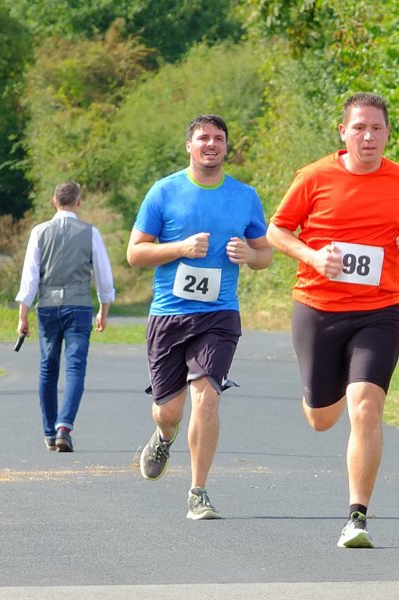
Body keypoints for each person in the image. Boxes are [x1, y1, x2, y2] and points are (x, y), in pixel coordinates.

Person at [267, 92, 399, 548]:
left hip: (378, 311)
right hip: (318, 307)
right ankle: (320, 391)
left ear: (387, 133)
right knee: (322, 419)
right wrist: (311, 255)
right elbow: (277, 230)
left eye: (377, 128)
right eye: (359, 127)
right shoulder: (313, 176)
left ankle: (357, 517)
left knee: (365, 406)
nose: (368, 136)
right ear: (343, 132)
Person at [126, 114, 273, 520]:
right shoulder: (164, 191)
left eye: (219, 138)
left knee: (207, 396)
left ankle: (198, 491)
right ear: (189, 145)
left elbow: (265, 255)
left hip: (219, 314)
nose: (211, 144)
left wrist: (250, 256)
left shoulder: (244, 196)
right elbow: (135, 253)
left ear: (226, 147)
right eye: (203, 138)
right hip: (169, 315)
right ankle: (162, 435)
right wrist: (180, 248)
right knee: (169, 410)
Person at [16, 181, 115, 453]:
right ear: (78, 202)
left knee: (48, 368)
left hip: (47, 307)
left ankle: (49, 431)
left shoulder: (39, 232)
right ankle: (64, 427)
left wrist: (22, 316)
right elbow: (104, 277)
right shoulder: (90, 233)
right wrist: (103, 310)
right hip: (79, 306)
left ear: (53, 201)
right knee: (75, 369)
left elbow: (30, 278)